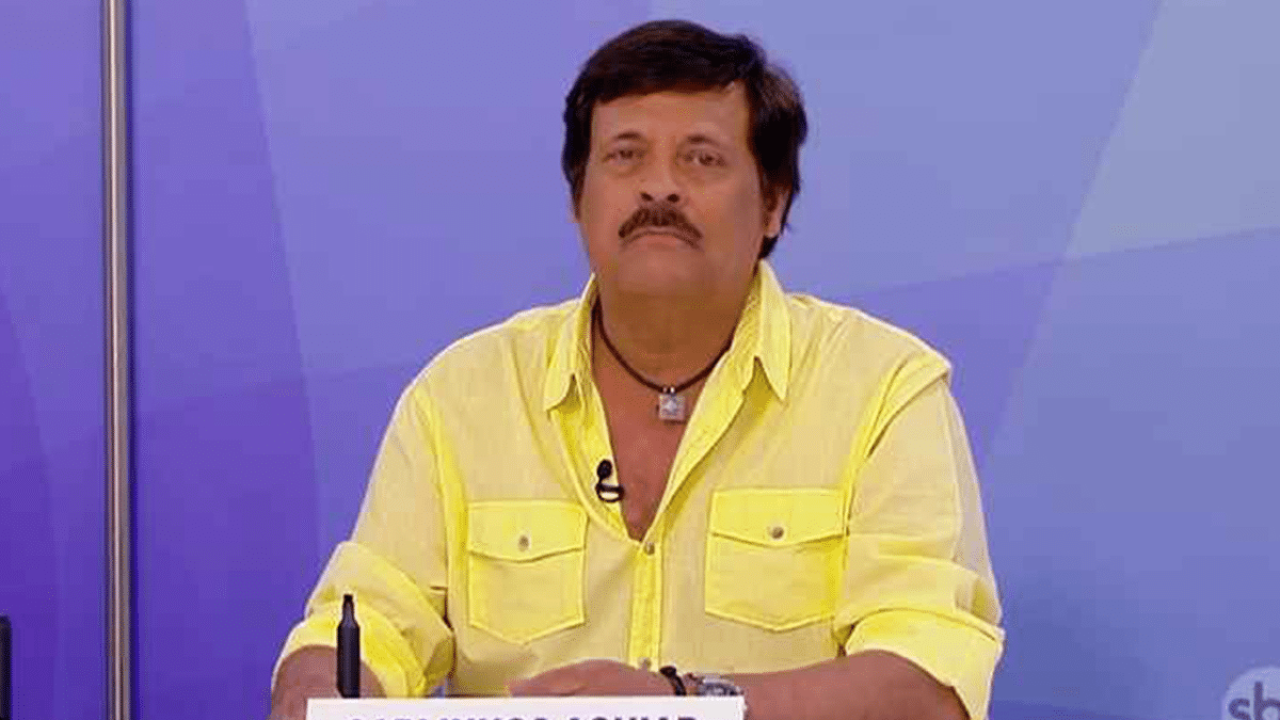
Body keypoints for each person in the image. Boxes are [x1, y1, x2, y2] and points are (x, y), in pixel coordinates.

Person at [268, 19, 1003, 720]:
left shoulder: (882, 390)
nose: (660, 188)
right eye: (625, 155)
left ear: (773, 204)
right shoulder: (463, 396)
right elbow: (373, 621)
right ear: (578, 198)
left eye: (701, 158)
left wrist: (686, 704)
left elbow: (927, 685)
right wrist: (317, 686)